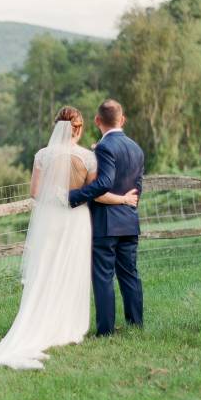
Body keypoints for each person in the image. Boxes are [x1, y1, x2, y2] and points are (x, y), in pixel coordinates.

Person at [0, 106, 138, 370]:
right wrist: (123, 198)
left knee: (46, 270)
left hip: (50, 219)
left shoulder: (42, 155)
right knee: (72, 271)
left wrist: (58, 197)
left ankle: (42, 322)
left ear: (56, 126)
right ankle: (67, 328)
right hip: (76, 220)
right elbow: (96, 194)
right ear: (80, 128)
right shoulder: (87, 157)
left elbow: (35, 192)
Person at [69, 99, 145, 337]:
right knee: (130, 274)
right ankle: (136, 324)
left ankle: (106, 331)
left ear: (97, 121)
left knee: (103, 277)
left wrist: (73, 196)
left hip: (106, 223)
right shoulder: (136, 148)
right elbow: (137, 187)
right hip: (129, 221)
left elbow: (103, 184)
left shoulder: (103, 148)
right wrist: (127, 202)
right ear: (122, 120)